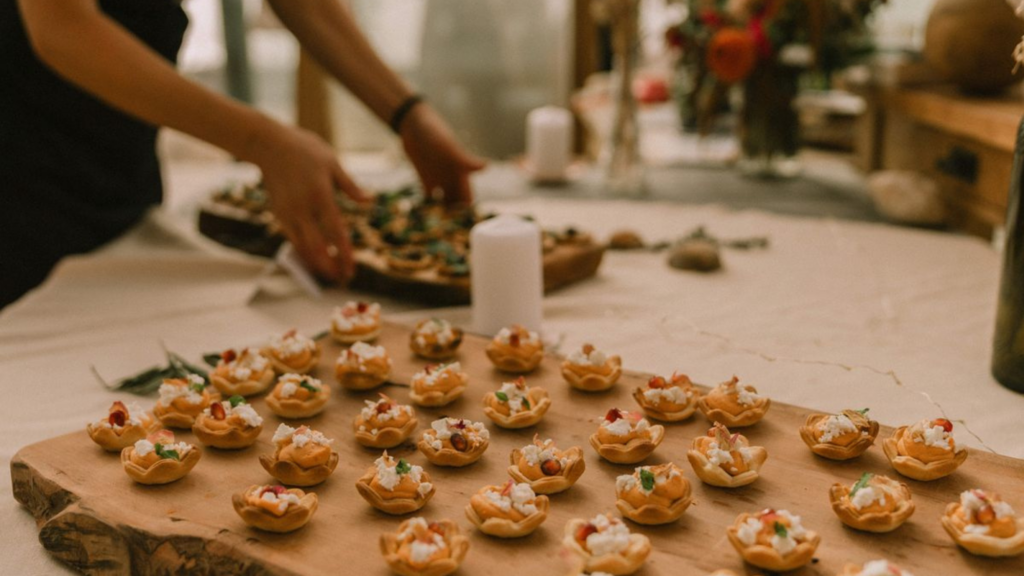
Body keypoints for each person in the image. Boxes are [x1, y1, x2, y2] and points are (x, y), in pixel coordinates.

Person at [0, 0, 485, 307]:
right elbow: (62, 27)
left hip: (116, 163)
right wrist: (261, 142)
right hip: (22, 171)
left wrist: (405, 113)